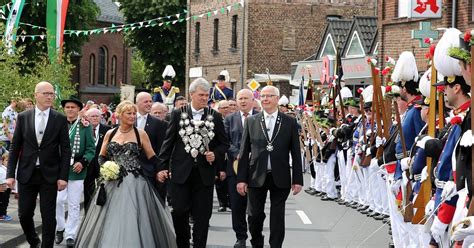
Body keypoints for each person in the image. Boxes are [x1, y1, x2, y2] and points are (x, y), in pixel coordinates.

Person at [75, 100, 177, 247]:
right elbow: (101, 156)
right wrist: (107, 167)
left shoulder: (140, 134)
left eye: (134, 113)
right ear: (120, 115)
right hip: (111, 182)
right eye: (129, 113)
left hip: (134, 182)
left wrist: (163, 169)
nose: (133, 116)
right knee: (110, 216)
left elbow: (153, 157)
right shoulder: (111, 133)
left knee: (131, 216)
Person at [157, 77, 229, 248]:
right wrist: (162, 167)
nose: (205, 98)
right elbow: (168, 143)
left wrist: (215, 154)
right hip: (181, 173)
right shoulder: (176, 114)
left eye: (206, 95)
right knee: (179, 211)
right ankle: (183, 242)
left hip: (204, 175)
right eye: (201, 95)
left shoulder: (215, 116)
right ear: (191, 95)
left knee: (202, 216)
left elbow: (224, 143)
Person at [6, 81, 72, 248]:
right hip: (27, 173)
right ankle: (34, 242)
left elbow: (65, 150)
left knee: (48, 215)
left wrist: (63, 176)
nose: (50, 96)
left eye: (51, 94)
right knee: (24, 215)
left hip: (49, 175)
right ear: (36, 95)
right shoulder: (23, 117)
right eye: (46, 93)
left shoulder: (60, 119)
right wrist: (10, 175)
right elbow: (15, 148)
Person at [236, 85, 303, 248]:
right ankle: (256, 241)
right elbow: (244, 152)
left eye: (269, 96)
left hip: (280, 176)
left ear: (277, 99)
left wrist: (298, 180)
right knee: (254, 216)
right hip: (256, 175)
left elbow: (295, 152)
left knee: (277, 216)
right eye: (263, 96)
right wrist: (241, 179)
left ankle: (275, 245)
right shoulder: (252, 121)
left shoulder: (289, 122)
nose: (265, 99)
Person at [54, 97, 96, 247]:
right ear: (64, 109)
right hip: (59, 169)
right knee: (58, 201)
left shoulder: (85, 126)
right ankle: (60, 228)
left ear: (78, 110)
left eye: (73, 107)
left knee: (73, 204)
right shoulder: (57, 124)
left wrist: (83, 162)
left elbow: (91, 149)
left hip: (76, 169)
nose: (70, 109)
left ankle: (71, 234)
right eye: (67, 107)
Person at [224, 88, 257, 247]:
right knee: (237, 205)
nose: (243, 101)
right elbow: (225, 140)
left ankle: (256, 235)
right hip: (235, 168)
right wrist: (237, 153)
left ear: (252, 100)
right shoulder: (230, 119)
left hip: (256, 168)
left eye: (246, 98)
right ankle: (241, 236)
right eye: (240, 98)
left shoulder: (260, 117)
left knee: (254, 206)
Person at [136, 92, 169, 202]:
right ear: (138, 103)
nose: (149, 104)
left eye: (151, 101)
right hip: (130, 170)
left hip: (150, 169)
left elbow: (161, 149)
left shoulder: (158, 124)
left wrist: (161, 170)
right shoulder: (128, 120)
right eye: (146, 101)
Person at [83, 108, 110, 212]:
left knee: (104, 188)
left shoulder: (107, 129)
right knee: (88, 190)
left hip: (102, 164)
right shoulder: (83, 129)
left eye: (97, 116)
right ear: (87, 118)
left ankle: (103, 212)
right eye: (92, 116)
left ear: (101, 117)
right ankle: (88, 213)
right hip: (88, 164)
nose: (95, 118)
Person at [0, 151, 11, 221]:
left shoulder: (9, 170)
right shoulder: (1, 169)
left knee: (6, 202)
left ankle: (4, 213)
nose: (8, 162)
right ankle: (1, 215)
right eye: (7, 160)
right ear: (3, 161)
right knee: (2, 202)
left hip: (7, 188)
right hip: (2, 188)